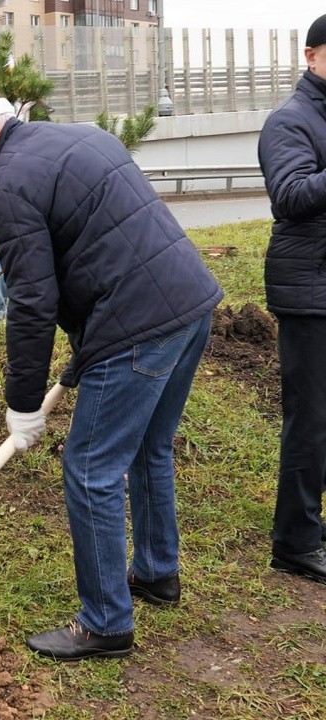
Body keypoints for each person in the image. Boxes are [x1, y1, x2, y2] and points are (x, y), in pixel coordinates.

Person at [0, 88, 222, 661]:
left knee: (90, 468)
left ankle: (107, 621)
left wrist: (23, 402)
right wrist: (88, 347)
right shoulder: (80, 137)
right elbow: (108, 250)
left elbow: (33, 301)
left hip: (139, 325)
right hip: (189, 305)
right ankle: (157, 572)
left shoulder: (7, 189)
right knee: (148, 448)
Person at [258, 13, 326, 585]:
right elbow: (292, 195)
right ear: (311, 56)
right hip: (309, 291)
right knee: (310, 420)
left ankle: (311, 524)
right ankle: (295, 542)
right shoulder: (289, 121)